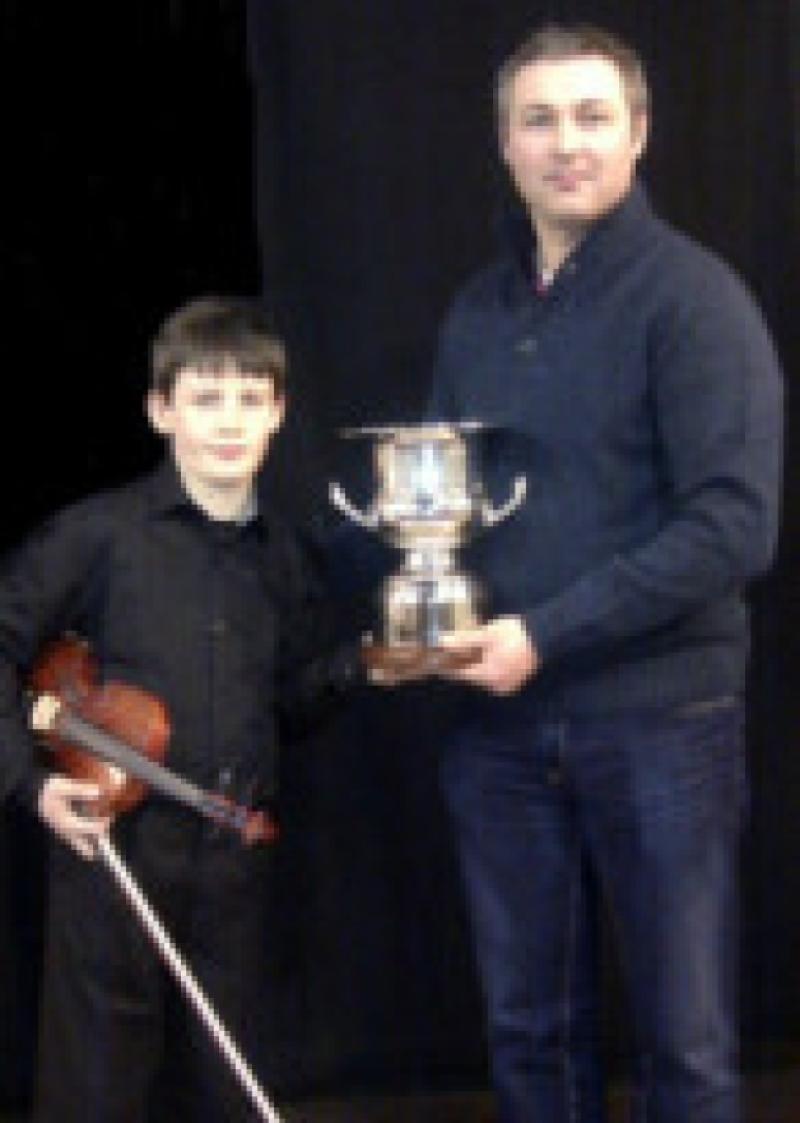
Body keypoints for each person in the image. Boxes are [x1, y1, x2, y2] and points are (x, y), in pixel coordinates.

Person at [427, 23, 784, 1123]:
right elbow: (434, 511)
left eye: (591, 116)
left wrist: (544, 632)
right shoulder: (478, 312)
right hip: (497, 735)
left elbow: (734, 528)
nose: (565, 142)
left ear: (639, 133)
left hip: (659, 726)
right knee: (529, 1038)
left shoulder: (694, 299)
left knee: (685, 1050)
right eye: (538, 120)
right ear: (504, 143)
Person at [0, 296, 363, 1122]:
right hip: (113, 858)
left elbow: (289, 705)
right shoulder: (95, 536)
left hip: (234, 873)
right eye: (205, 397)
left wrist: (365, 666)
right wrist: (31, 785)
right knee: (95, 1098)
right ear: (161, 410)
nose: (228, 420)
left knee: (224, 1098)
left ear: (279, 411)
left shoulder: (286, 555)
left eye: (249, 397)